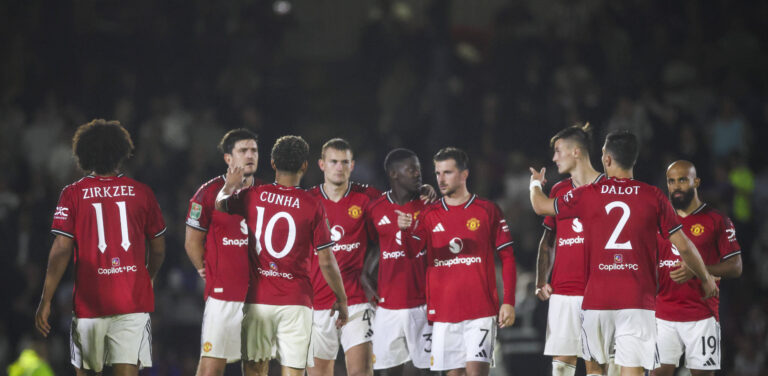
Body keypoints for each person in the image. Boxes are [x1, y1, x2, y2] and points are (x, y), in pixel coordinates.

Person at [529, 130, 719, 376]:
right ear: (633, 160)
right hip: (637, 300)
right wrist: (705, 278)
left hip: (597, 299)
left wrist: (535, 184)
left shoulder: (589, 193)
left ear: (607, 159)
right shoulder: (653, 196)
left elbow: (540, 206)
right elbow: (684, 246)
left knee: (595, 370)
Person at [35, 119, 166, 376]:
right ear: (121, 153)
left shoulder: (73, 193)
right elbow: (159, 248)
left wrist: (46, 299)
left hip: (90, 303)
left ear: (84, 154)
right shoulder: (142, 193)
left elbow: (61, 248)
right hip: (131, 301)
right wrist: (148, 276)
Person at [215, 135, 348, 376]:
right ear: (305, 166)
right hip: (296, 302)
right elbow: (327, 261)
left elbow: (220, 204)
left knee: (255, 370)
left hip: (259, 300)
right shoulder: (312, 205)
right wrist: (342, 299)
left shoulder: (254, 195)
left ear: (273, 163)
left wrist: (229, 185)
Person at [398, 147, 517, 376]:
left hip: (480, 312)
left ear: (464, 174)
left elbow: (507, 256)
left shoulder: (487, 210)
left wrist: (508, 301)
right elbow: (412, 251)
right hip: (444, 313)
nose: (441, 179)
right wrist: (405, 231)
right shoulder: (429, 214)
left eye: (448, 172)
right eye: (438, 173)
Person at [652, 160, 743, 376]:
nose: (676, 186)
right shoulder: (658, 221)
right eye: (671, 181)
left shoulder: (717, 220)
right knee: (658, 373)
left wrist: (699, 270)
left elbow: (736, 267)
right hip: (663, 314)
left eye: (682, 180)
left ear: (696, 182)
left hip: (702, 315)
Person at [185, 129, 262, 376]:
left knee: (256, 366)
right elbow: (192, 242)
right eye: (243, 150)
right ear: (228, 158)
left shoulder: (266, 193)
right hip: (224, 297)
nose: (250, 155)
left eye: (254, 150)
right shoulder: (208, 193)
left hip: (259, 297)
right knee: (211, 368)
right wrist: (205, 271)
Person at [535, 124, 605, 376]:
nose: (554, 158)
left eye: (558, 151)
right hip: (563, 293)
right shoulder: (558, 190)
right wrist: (541, 280)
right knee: (561, 368)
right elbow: (547, 240)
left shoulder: (607, 188)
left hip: (599, 292)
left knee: (596, 366)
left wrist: (534, 186)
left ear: (576, 151)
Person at [307, 138, 380, 376]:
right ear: (321, 164)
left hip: (357, 299)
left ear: (352, 165)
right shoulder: (307, 201)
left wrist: (368, 273)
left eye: (344, 162)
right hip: (317, 303)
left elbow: (386, 234)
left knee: (361, 372)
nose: (339, 167)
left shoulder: (367, 198)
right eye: (333, 162)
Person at [366, 148, 432, 375]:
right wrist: (368, 282)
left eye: (418, 169)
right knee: (388, 371)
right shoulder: (375, 209)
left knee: (427, 370)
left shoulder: (428, 205)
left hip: (423, 304)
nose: (418, 173)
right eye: (411, 169)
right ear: (394, 174)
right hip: (388, 307)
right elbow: (372, 248)